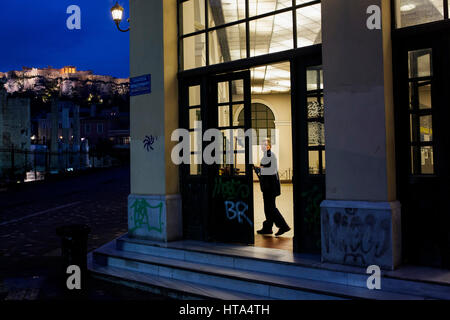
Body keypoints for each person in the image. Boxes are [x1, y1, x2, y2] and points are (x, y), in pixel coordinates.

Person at [253, 139, 291, 236]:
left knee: (271, 208)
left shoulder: (270, 155)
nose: (262, 146)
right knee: (268, 207)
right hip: (269, 187)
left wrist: (258, 169)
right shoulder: (267, 155)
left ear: (269, 146)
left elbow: (270, 170)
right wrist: (259, 168)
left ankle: (283, 226)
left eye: (264, 145)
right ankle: (268, 227)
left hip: (270, 187)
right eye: (262, 144)